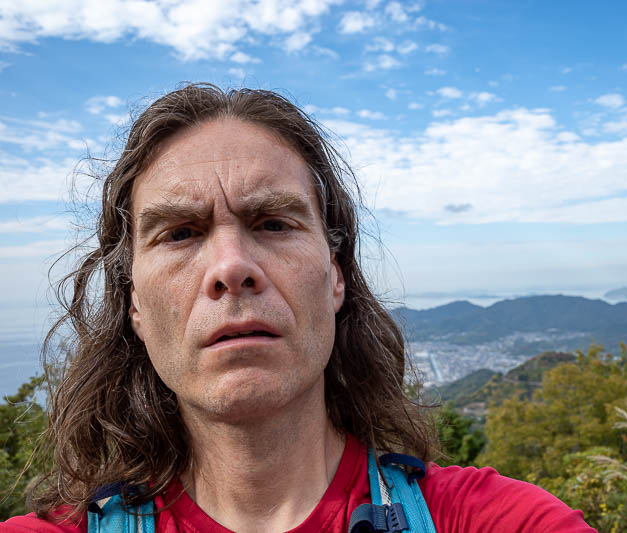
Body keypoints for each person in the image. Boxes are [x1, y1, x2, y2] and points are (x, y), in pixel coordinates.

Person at [1, 84, 595, 533]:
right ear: (133, 302)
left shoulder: (494, 520)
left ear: (335, 275)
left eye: (274, 223)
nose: (231, 266)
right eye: (180, 233)